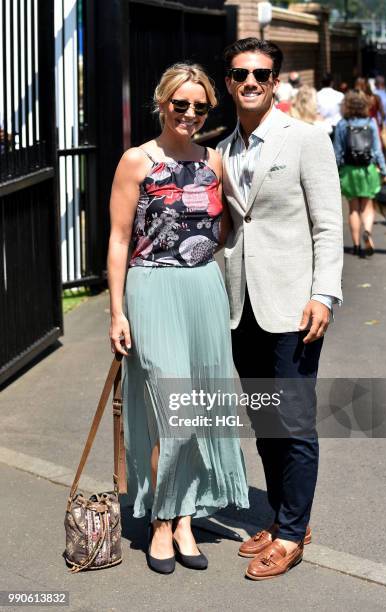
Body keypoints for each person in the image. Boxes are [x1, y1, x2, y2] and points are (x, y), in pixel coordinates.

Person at [107, 62, 249, 575]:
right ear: (162, 102)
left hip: (203, 290)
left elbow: (230, 225)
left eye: (200, 106)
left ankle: (186, 515)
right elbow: (120, 240)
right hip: (152, 287)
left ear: (210, 109)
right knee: (171, 413)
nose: (189, 113)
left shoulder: (214, 161)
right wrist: (117, 311)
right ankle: (161, 521)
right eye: (180, 103)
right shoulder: (137, 161)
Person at [218, 37, 343, 580]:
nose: (251, 82)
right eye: (241, 73)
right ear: (229, 82)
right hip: (240, 304)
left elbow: (327, 224)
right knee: (265, 417)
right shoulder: (221, 148)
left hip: (294, 305)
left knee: (293, 420)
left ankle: (292, 534)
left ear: (275, 82)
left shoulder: (307, 139)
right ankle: (283, 514)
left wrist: (324, 293)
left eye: (261, 74)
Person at [334, 89, 386, 256]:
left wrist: (335, 171)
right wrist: (384, 171)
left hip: (349, 171)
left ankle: (356, 246)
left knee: (353, 208)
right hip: (367, 170)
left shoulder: (342, 124)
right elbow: (377, 150)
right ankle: (367, 231)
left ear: (346, 106)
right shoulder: (371, 122)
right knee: (367, 206)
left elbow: (337, 152)